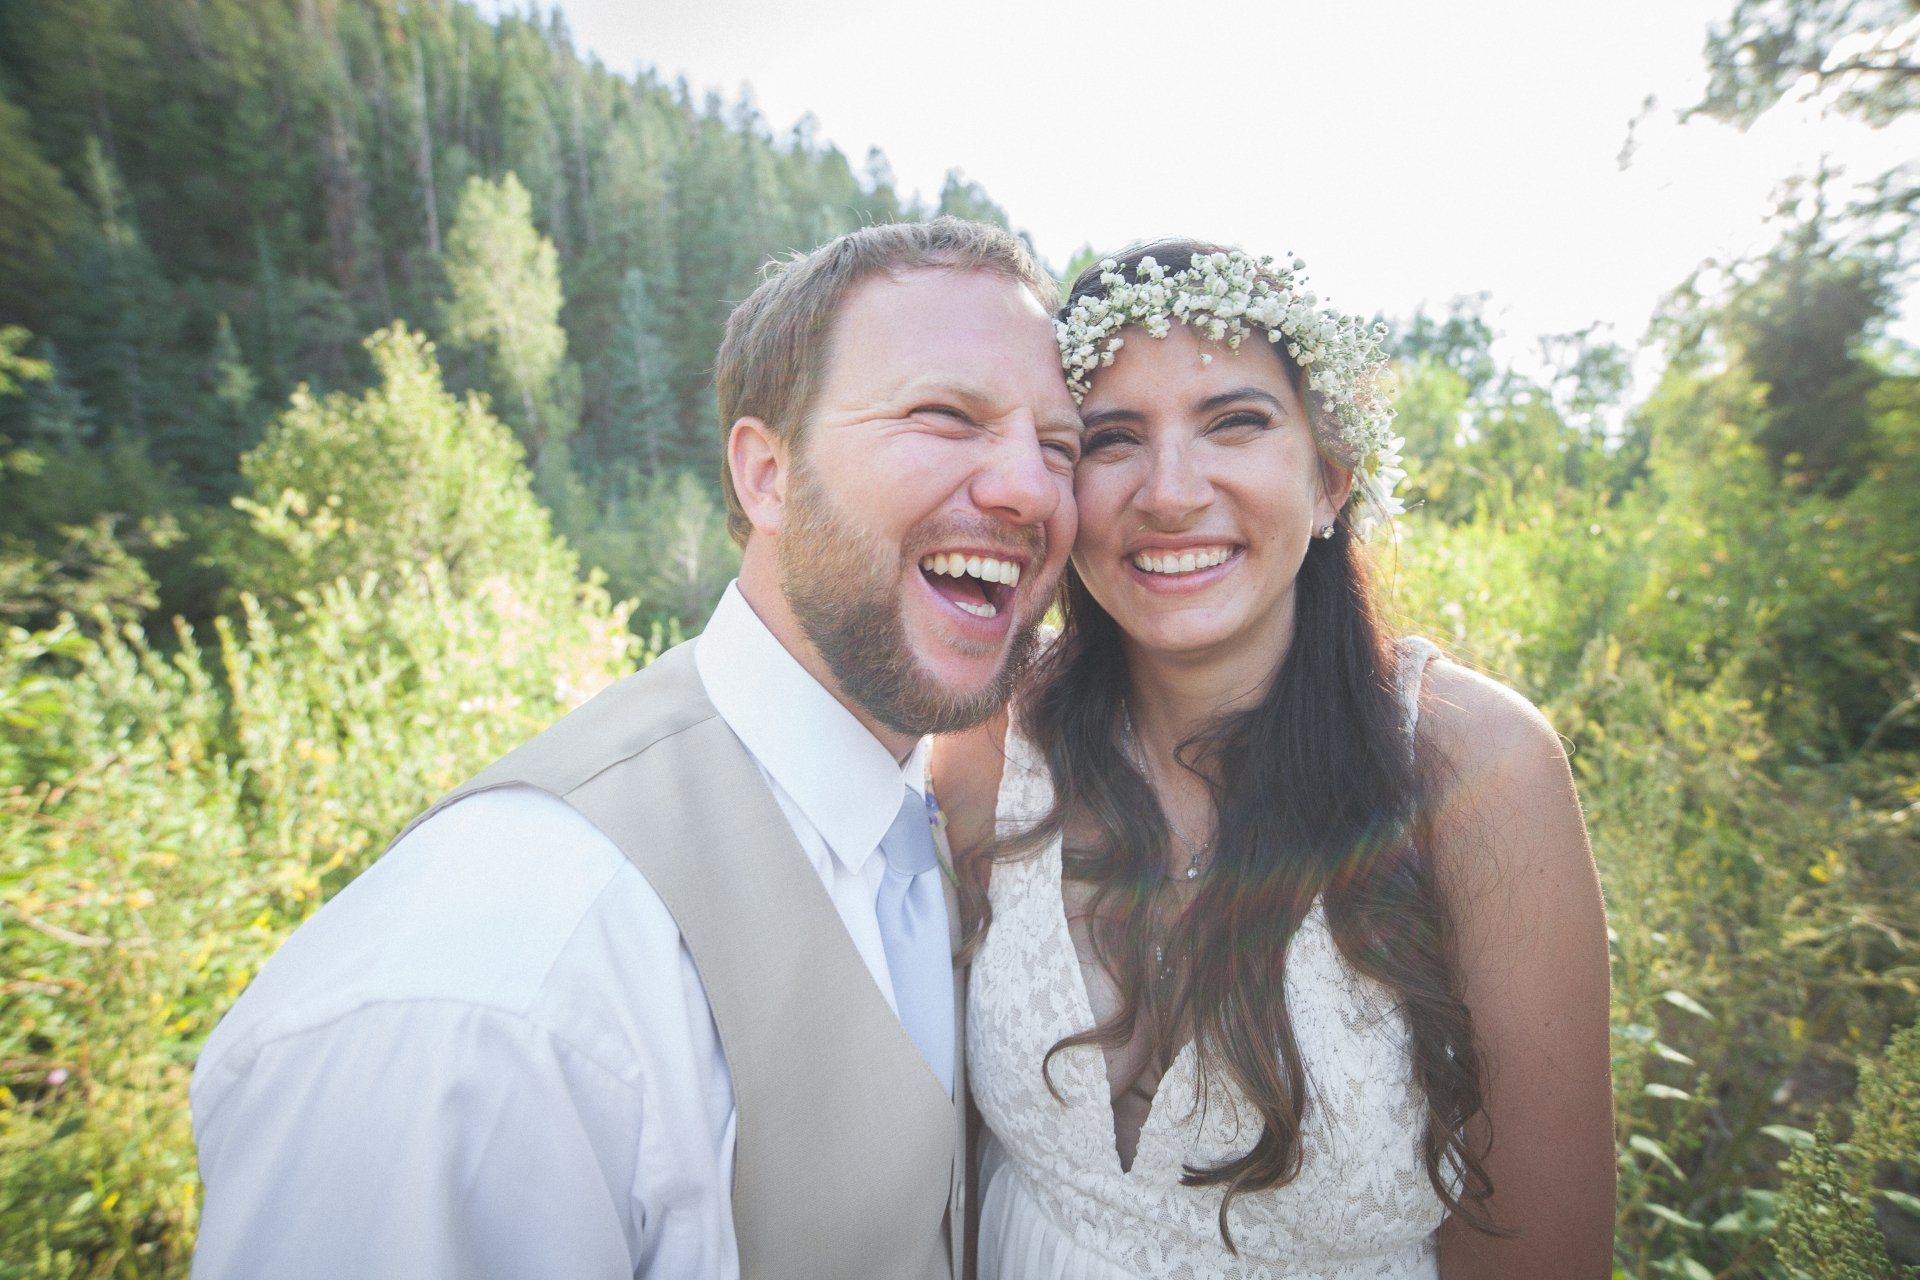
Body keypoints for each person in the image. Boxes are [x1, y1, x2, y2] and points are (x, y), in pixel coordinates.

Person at [188, 217, 1083, 1280]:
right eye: (945, 415)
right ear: (767, 474)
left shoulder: (928, 818)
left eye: (1061, 446)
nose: (1032, 490)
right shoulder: (492, 992)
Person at [934, 242, 1616, 1279]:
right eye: (1113, 438)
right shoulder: (992, 736)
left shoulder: (1475, 769)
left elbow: (1541, 1250)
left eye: (1235, 421)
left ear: (1331, 480)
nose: (1169, 492)